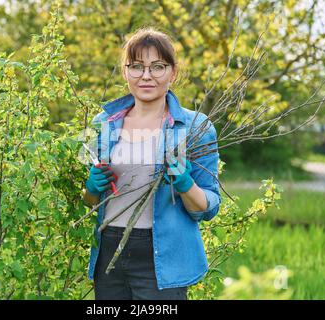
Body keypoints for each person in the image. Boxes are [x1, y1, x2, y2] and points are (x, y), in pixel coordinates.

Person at [82, 27, 221, 300]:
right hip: (109, 251)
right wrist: (90, 189)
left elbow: (209, 206)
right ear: (125, 72)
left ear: (173, 72)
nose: (146, 76)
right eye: (136, 67)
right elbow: (89, 202)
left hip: (163, 257)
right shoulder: (103, 123)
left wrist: (185, 183)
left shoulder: (196, 128)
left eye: (157, 67)